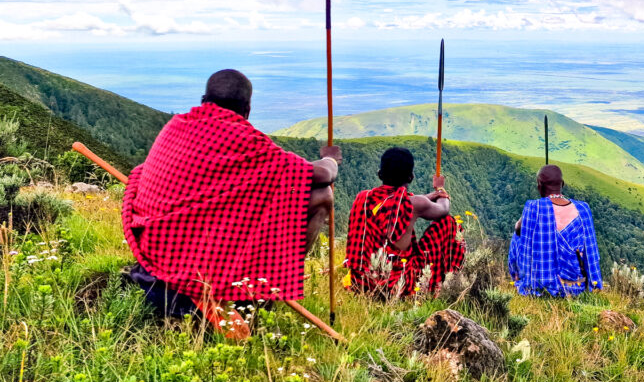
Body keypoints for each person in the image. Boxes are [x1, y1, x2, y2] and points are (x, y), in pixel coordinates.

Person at [121, 69, 340, 320]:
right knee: (323, 195)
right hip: (195, 263)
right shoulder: (248, 142)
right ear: (247, 110)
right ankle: (264, 292)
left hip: (157, 250)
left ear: (204, 100)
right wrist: (330, 158)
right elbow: (322, 175)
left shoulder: (176, 125)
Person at [345, 147, 465, 297]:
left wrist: (427, 197)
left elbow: (401, 201)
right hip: (399, 285)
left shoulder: (363, 197)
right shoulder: (413, 204)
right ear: (411, 177)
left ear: (380, 174)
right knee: (449, 223)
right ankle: (447, 282)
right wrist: (440, 189)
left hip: (362, 281)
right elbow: (443, 209)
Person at [508, 164, 602, 297]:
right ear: (562, 184)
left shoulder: (533, 207)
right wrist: (595, 285)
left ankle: (519, 278)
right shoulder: (583, 209)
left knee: (518, 236)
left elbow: (518, 230)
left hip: (540, 287)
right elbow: (591, 253)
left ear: (539, 185)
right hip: (575, 287)